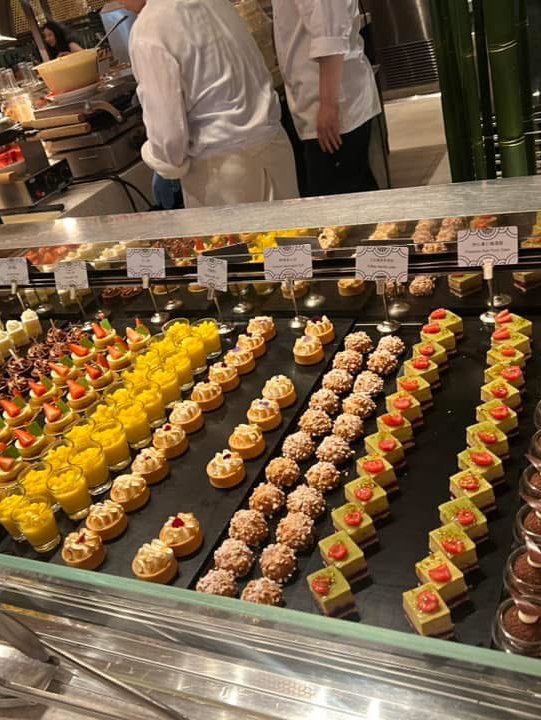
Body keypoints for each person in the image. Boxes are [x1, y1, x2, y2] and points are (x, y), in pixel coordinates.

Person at [120, 0, 299, 209]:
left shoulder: (148, 29)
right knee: (292, 230)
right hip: (276, 150)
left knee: (235, 233)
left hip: (223, 174)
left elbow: (169, 139)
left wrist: (159, 160)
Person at [272, 0, 381, 197]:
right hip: (322, 100)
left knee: (338, 198)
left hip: (333, 103)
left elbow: (330, 37)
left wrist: (328, 106)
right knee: (353, 191)